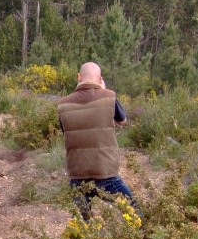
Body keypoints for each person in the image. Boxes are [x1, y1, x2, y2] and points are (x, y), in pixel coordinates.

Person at [57, 62, 140, 220]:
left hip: (77, 173)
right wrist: (103, 90)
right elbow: (122, 120)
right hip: (105, 171)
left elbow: (65, 130)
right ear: (100, 79)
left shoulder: (63, 104)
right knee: (134, 210)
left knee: (81, 223)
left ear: (79, 77)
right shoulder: (109, 96)